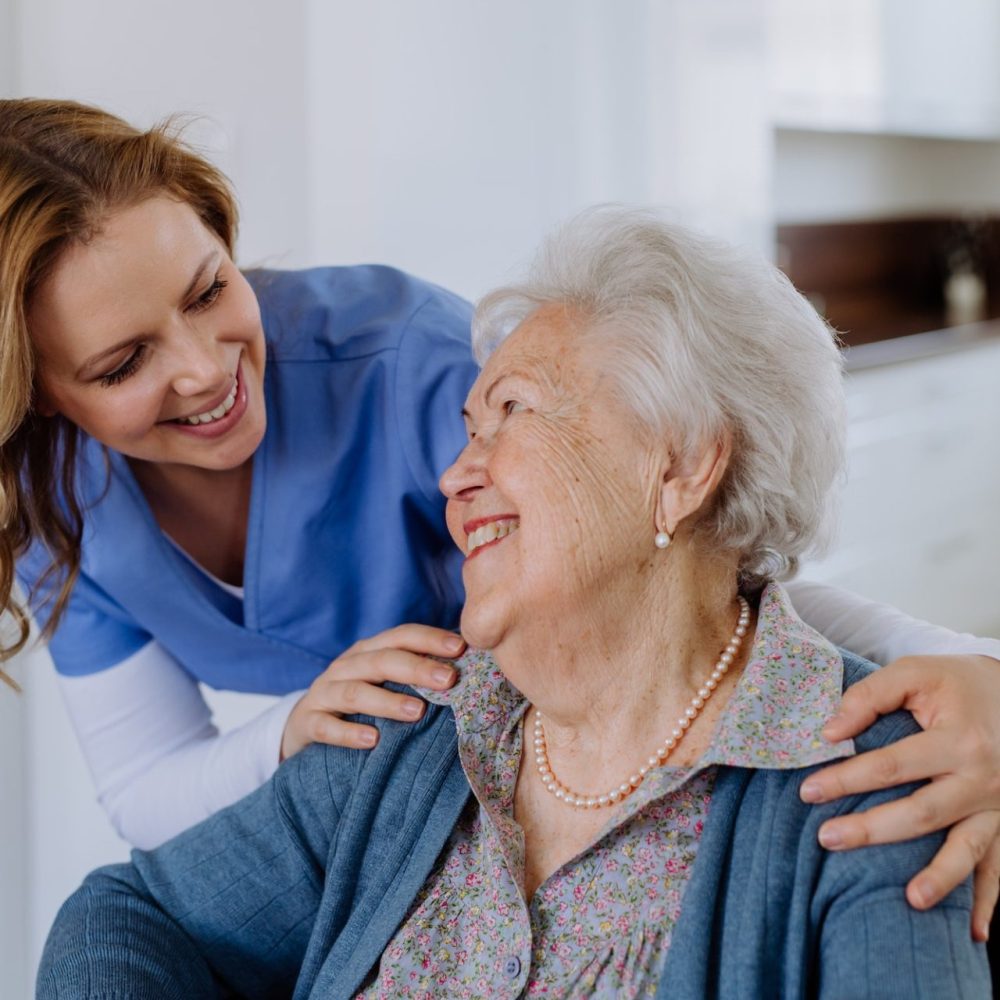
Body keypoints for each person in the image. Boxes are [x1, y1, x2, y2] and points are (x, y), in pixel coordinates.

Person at [2, 101, 999, 935]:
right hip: (387, 810)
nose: (205, 368)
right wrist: (289, 736)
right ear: (37, 392)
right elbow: (145, 786)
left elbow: (696, 574)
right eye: (122, 363)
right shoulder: (58, 502)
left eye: (211, 287)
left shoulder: (409, 366)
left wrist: (969, 669)